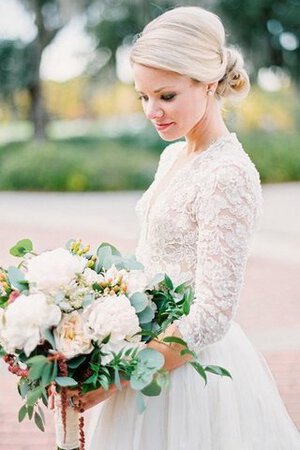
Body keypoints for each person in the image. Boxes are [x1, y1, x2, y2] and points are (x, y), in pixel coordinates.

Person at [71, 6, 300, 449]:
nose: (152, 111)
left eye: (167, 95)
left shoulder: (228, 174)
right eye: (143, 97)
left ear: (208, 82)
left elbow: (212, 315)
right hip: (145, 350)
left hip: (186, 374)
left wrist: (115, 378)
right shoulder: (173, 156)